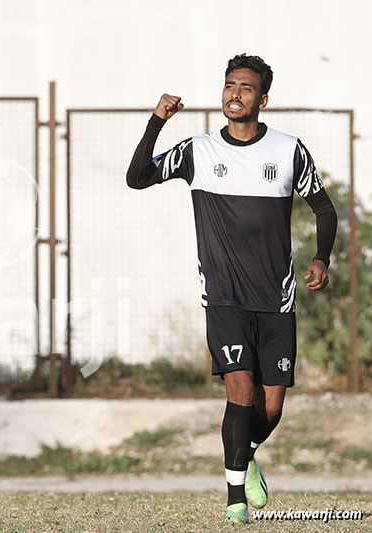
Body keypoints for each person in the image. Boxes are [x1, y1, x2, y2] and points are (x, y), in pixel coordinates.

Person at [126, 54, 337, 524]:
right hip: (223, 295)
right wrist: (156, 123)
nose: (234, 94)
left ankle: (246, 453)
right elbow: (137, 178)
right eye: (228, 85)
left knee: (272, 404)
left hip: (276, 298)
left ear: (262, 99)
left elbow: (324, 209)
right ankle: (234, 501)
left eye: (245, 87)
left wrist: (321, 257)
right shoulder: (198, 152)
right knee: (238, 389)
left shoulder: (289, 151)